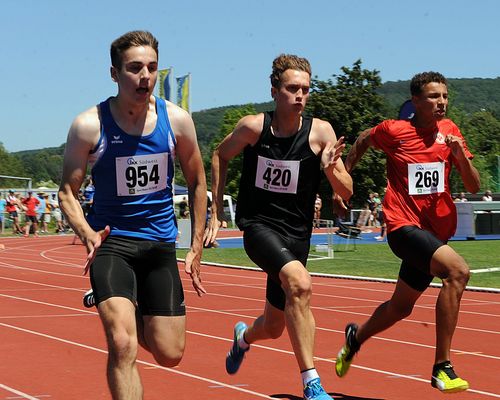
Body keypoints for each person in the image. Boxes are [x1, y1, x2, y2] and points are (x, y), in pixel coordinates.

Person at [58, 30, 207, 400]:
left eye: (152, 68)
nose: (145, 76)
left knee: (170, 353)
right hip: (112, 243)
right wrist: (87, 233)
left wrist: (196, 245)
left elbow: (198, 182)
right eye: (135, 68)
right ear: (114, 74)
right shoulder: (89, 126)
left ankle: (126, 304)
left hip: (159, 244)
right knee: (123, 344)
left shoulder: (177, 121)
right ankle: (114, 300)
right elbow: (67, 193)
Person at [204, 54, 352, 400]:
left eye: (305, 89)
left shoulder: (321, 132)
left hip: (297, 234)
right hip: (258, 227)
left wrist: (330, 170)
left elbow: (346, 190)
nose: (300, 96)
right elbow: (220, 155)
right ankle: (312, 382)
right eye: (292, 88)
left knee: (273, 326)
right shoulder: (254, 127)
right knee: (300, 285)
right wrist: (215, 212)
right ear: (274, 90)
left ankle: (243, 338)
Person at [333, 71, 480, 394]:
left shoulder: (450, 132)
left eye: (444, 96)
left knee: (400, 307)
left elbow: (473, 185)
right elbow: (363, 140)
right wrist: (342, 183)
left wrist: (459, 157)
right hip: (402, 226)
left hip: (434, 234)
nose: (441, 102)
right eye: (433, 96)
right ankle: (442, 368)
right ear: (415, 101)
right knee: (457, 272)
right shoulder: (394, 131)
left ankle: (355, 337)